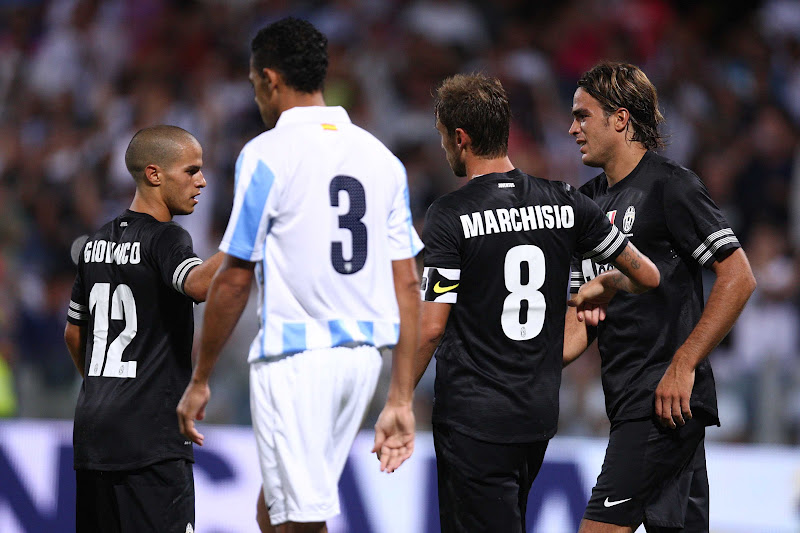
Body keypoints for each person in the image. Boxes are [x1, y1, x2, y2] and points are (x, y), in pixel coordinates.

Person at [175, 17, 423, 533]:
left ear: (270, 79)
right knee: (275, 510)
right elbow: (406, 283)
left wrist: (200, 377)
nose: (256, 95)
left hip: (297, 359)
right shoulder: (381, 159)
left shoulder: (266, 153)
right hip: (362, 363)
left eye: (254, 83)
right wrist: (400, 395)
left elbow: (236, 277)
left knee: (301, 519)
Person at [413, 73, 660, 533]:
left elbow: (430, 327)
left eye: (444, 135)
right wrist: (606, 285)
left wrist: (396, 398)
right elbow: (647, 274)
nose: (444, 146)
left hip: (473, 416)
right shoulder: (566, 203)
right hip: (536, 414)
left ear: (460, 137)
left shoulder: (449, 215)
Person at [564, 62, 757, 533]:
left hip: (660, 399)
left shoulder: (671, 184)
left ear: (620, 119)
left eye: (583, 115)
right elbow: (582, 320)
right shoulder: (586, 205)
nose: (572, 129)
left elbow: (738, 276)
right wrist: (520, 364)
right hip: (636, 401)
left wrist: (683, 364)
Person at [64, 125, 223, 533]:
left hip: (93, 435)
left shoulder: (95, 243)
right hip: (150, 441)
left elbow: (73, 334)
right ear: (154, 174)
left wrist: (109, 387)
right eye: (191, 170)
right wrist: (247, 236)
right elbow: (199, 285)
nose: (202, 181)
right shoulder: (166, 238)